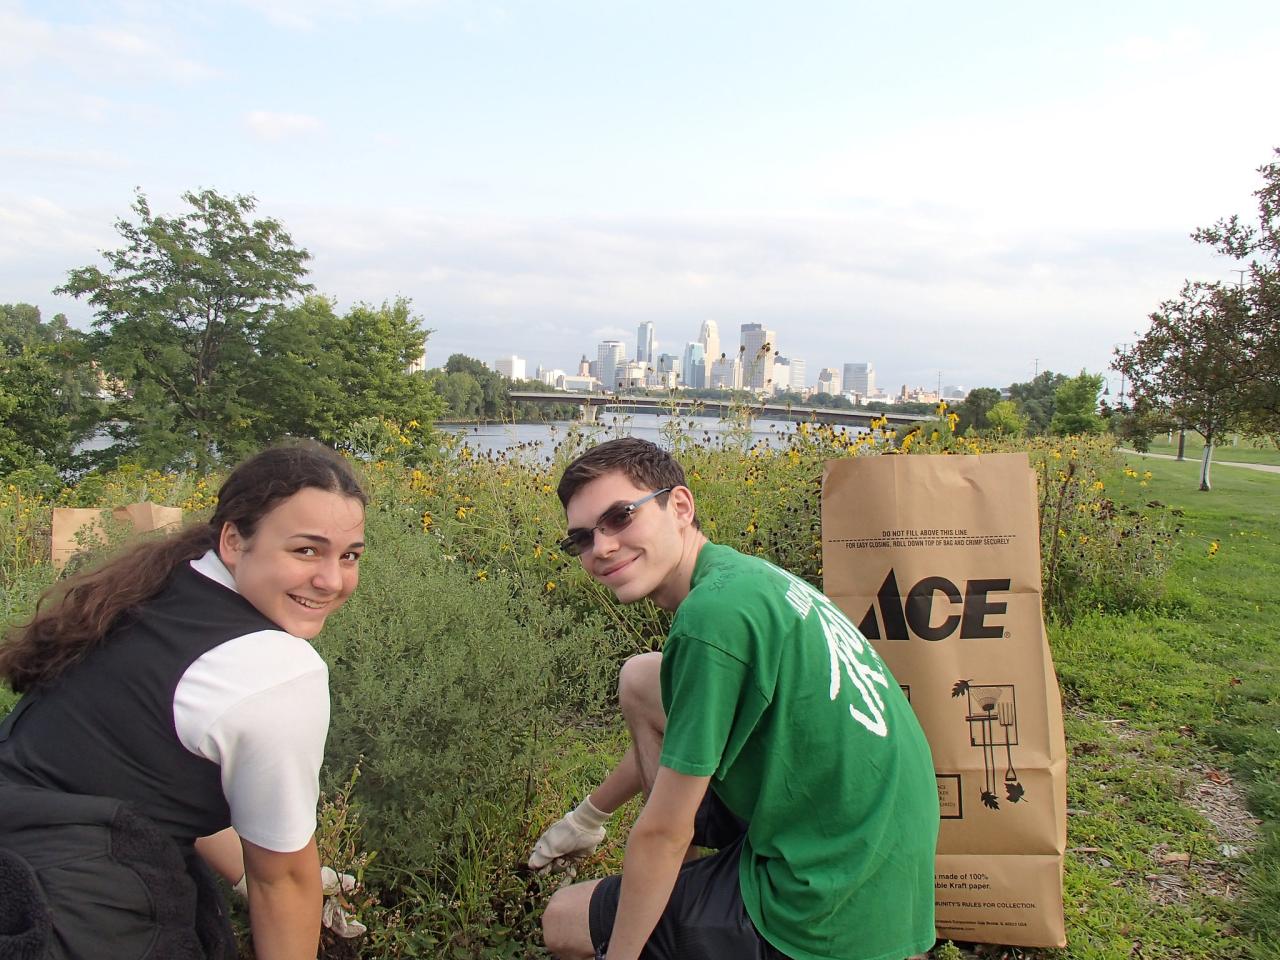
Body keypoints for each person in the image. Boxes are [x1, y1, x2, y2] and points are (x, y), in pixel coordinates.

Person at [530, 438, 939, 960]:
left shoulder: (711, 621)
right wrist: (589, 816)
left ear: (679, 506)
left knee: (564, 920)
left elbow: (663, 831)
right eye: (582, 539)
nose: (602, 547)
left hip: (824, 903)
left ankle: (690, 920)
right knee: (641, 677)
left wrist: (623, 954)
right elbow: (688, 734)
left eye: (620, 517)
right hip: (878, 860)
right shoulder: (742, 578)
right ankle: (689, 892)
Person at [0, 443, 367, 960]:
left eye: (349, 555)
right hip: (80, 919)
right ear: (235, 541)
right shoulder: (275, 669)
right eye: (306, 550)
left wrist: (241, 875)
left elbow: (155, 776)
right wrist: (270, 886)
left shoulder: (149, 592)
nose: (332, 580)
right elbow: (283, 880)